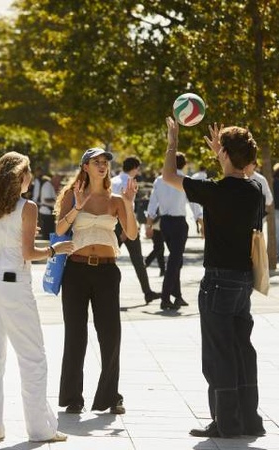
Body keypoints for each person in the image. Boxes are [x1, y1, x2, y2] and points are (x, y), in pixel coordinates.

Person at [163, 118, 265, 438]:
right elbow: (238, 173)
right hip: (243, 280)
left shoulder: (213, 191)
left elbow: (169, 176)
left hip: (218, 281)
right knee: (241, 350)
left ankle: (226, 423)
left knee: (218, 354)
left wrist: (173, 140)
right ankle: (250, 420)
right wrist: (223, 155)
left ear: (223, 155)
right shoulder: (255, 189)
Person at [0, 151, 73, 443]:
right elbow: (29, 253)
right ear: (20, 176)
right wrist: (57, 250)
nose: (31, 178)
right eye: (28, 173)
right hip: (14, 284)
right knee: (33, 358)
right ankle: (40, 428)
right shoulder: (26, 207)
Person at [55, 147, 138, 415]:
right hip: (76, 271)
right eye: (96, 162)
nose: (102, 166)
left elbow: (132, 235)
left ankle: (110, 396)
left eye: (105, 162)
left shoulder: (115, 199)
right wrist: (77, 207)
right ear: (85, 166)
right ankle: (72, 397)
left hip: (106, 271)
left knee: (110, 334)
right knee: (75, 335)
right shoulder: (72, 194)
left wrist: (128, 203)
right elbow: (58, 229)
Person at [145, 152, 203, 310]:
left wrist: (148, 224)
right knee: (174, 261)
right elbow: (194, 203)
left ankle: (177, 296)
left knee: (176, 261)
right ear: (184, 164)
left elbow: (152, 203)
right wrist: (201, 221)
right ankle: (165, 298)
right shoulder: (184, 179)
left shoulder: (159, 180)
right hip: (178, 223)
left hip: (165, 223)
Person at [111, 156, 161, 304]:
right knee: (137, 260)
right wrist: (125, 230)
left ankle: (106, 292)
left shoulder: (113, 181)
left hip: (113, 223)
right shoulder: (129, 182)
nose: (139, 171)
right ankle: (147, 292)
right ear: (134, 168)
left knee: (109, 260)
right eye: (138, 168)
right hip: (125, 223)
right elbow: (127, 206)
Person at [32, 167, 57, 240]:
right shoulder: (47, 184)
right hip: (47, 212)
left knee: (45, 234)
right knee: (48, 235)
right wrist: (57, 201)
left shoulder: (40, 182)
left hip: (44, 211)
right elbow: (47, 200)